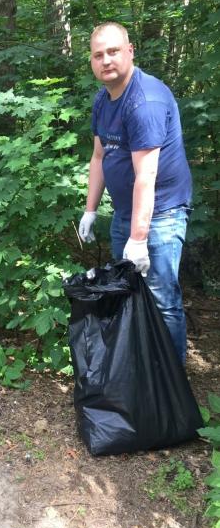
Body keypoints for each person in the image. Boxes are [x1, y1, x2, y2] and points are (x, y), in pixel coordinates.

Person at [78, 22, 192, 364]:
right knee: (127, 290)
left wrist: (139, 238)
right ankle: (141, 371)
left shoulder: (144, 101)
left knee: (161, 299)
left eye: (113, 51)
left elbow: (147, 174)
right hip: (126, 212)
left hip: (161, 214)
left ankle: (171, 383)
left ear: (130, 51)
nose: (106, 60)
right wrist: (91, 210)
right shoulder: (104, 99)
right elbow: (100, 156)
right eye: (98, 55)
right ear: (91, 61)